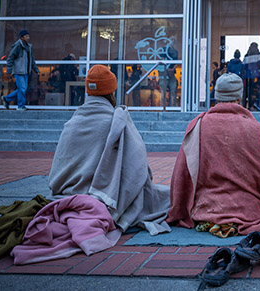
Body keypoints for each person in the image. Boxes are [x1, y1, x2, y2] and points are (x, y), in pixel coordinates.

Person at [167, 73, 260, 234]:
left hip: (208, 206)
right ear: (239, 96)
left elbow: (181, 174)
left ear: (216, 95)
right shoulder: (252, 127)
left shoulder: (198, 125)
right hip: (250, 206)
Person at [48, 65, 171, 235]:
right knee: (168, 198)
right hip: (107, 199)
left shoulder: (72, 124)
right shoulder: (118, 122)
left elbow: (58, 173)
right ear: (112, 91)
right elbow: (139, 170)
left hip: (67, 195)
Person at [3, 29, 40, 111]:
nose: (28, 37)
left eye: (28, 36)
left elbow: (32, 60)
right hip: (18, 71)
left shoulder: (29, 47)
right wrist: (9, 71)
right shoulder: (18, 46)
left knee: (23, 89)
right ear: (22, 37)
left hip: (26, 72)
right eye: (26, 36)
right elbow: (10, 58)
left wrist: (36, 70)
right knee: (22, 89)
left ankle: (7, 99)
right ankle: (20, 106)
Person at [243, 42, 260, 111]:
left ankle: (250, 105)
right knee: (257, 92)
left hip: (248, 77)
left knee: (250, 92)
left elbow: (244, 66)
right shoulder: (258, 54)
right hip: (257, 77)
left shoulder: (247, 55)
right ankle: (256, 104)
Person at [166, 37, 179, 107]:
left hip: (172, 73)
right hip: (164, 73)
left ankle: (173, 107)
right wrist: (167, 69)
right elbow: (161, 60)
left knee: (173, 90)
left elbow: (176, 62)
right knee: (163, 92)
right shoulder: (164, 50)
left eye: (173, 40)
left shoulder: (175, 51)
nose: (172, 41)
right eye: (171, 40)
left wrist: (172, 69)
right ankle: (163, 107)